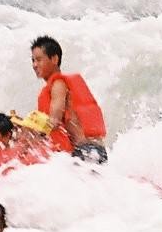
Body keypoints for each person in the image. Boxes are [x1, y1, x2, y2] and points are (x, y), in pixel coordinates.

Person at [29, 34, 108, 163]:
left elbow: (54, 121)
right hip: (93, 150)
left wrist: (27, 129)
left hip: (85, 151)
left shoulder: (58, 84)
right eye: (33, 60)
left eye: (39, 59)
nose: (34, 65)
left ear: (54, 59)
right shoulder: (57, 85)